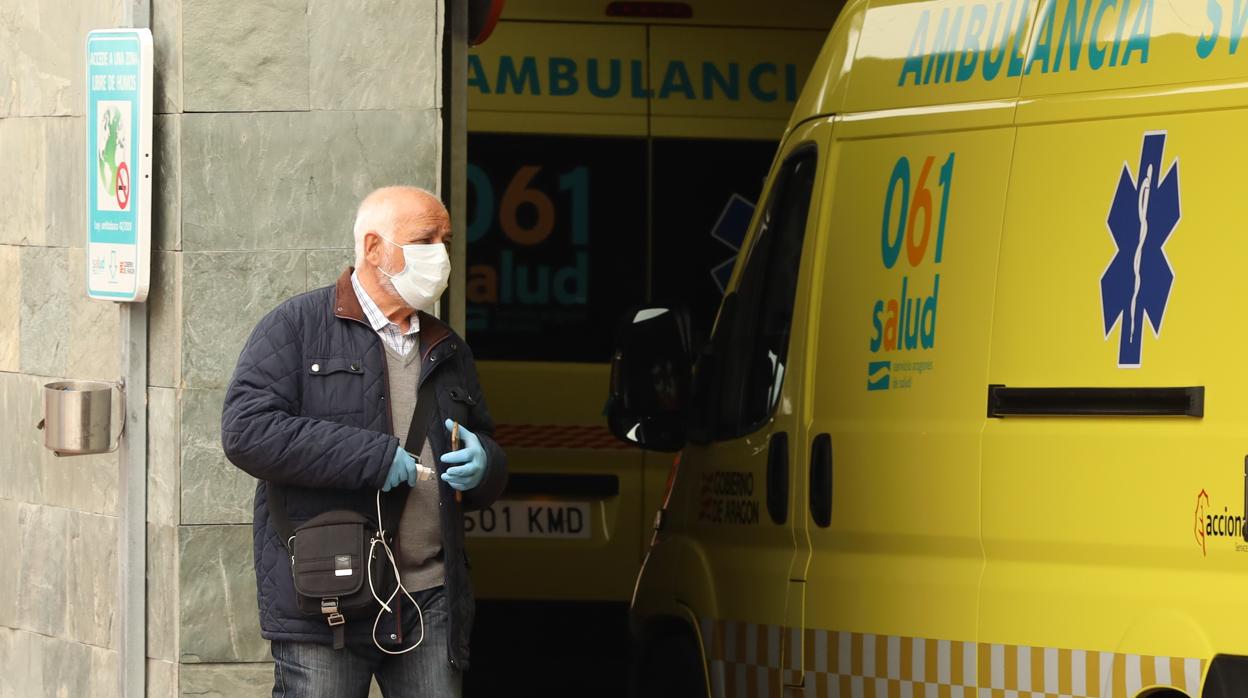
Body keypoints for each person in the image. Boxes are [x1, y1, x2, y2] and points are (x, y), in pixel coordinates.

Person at [221, 186, 507, 697]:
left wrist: (487, 465)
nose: (441, 254)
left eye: (445, 239)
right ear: (374, 248)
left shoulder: (448, 348)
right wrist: (371, 457)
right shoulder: (297, 327)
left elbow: (483, 437)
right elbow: (247, 432)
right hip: (326, 599)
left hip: (429, 598)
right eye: (424, 239)